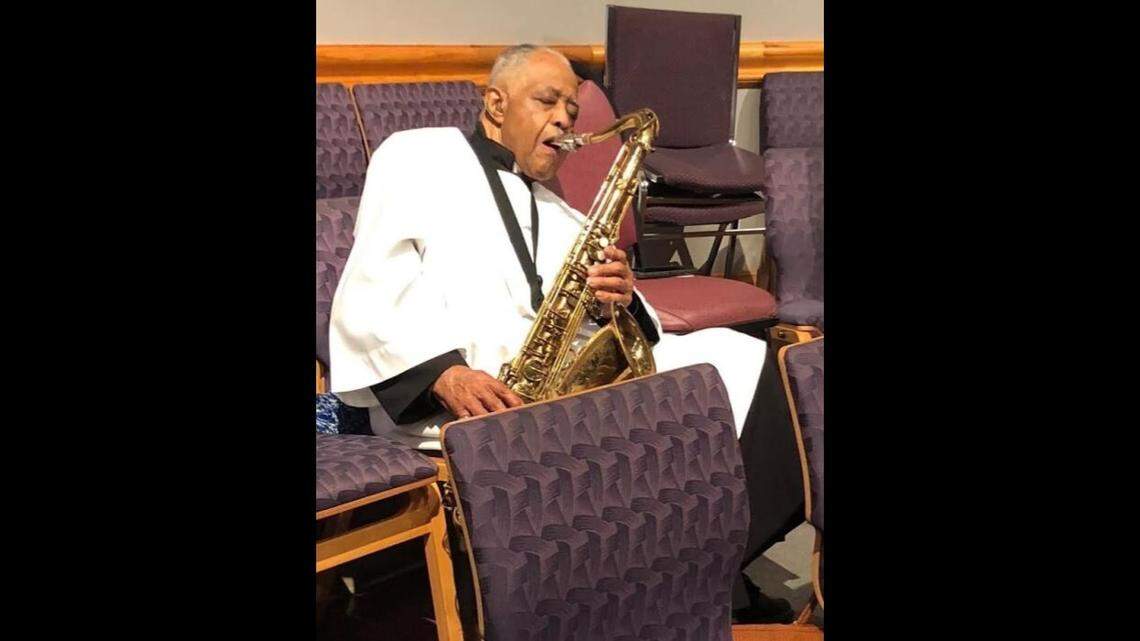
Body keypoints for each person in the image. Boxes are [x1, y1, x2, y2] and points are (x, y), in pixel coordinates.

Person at [329, 44, 803, 623]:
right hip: (460, 399)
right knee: (672, 420)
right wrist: (442, 373)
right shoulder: (420, 155)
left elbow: (618, 329)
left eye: (572, 112)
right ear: (496, 103)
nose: (564, 121)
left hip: (560, 385)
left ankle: (700, 566)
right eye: (547, 101)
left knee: (760, 368)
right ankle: (684, 578)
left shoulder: (560, 210)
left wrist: (620, 298)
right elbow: (373, 282)